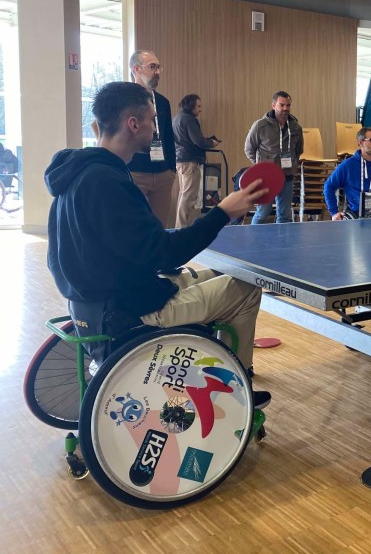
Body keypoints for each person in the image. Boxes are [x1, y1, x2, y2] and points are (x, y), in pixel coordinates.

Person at [44, 81, 271, 405]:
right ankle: (236, 391)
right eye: (152, 120)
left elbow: (73, 256)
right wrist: (222, 213)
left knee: (223, 274)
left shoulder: (76, 174)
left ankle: (221, 368)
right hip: (129, 311)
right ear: (133, 124)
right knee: (247, 288)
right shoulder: (108, 182)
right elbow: (164, 255)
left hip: (95, 303)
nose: (156, 127)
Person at [127, 50, 177, 228]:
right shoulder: (124, 98)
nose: (157, 72)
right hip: (135, 172)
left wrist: (172, 169)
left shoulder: (162, 101)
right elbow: (100, 126)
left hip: (162, 173)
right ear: (137, 69)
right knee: (134, 226)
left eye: (158, 67)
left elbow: (168, 135)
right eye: (152, 67)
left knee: (160, 227)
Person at [244, 91, 304, 224]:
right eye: (281, 105)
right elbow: (249, 149)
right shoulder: (260, 126)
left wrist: (292, 162)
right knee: (263, 213)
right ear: (273, 106)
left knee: (285, 215)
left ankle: (283, 238)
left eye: (288, 105)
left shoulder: (296, 127)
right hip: (266, 177)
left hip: (287, 176)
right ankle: (254, 237)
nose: (285, 108)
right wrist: (261, 165)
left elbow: (298, 150)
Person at [173, 94, 221, 228]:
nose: (200, 109)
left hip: (181, 160)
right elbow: (198, 141)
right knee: (188, 197)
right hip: (190, 162)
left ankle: (180, 227)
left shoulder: (177, 118)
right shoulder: (189, 119)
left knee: (183, 195)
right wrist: (211, 142)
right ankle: (181, 228)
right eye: (198, 106)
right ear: (191, 105)